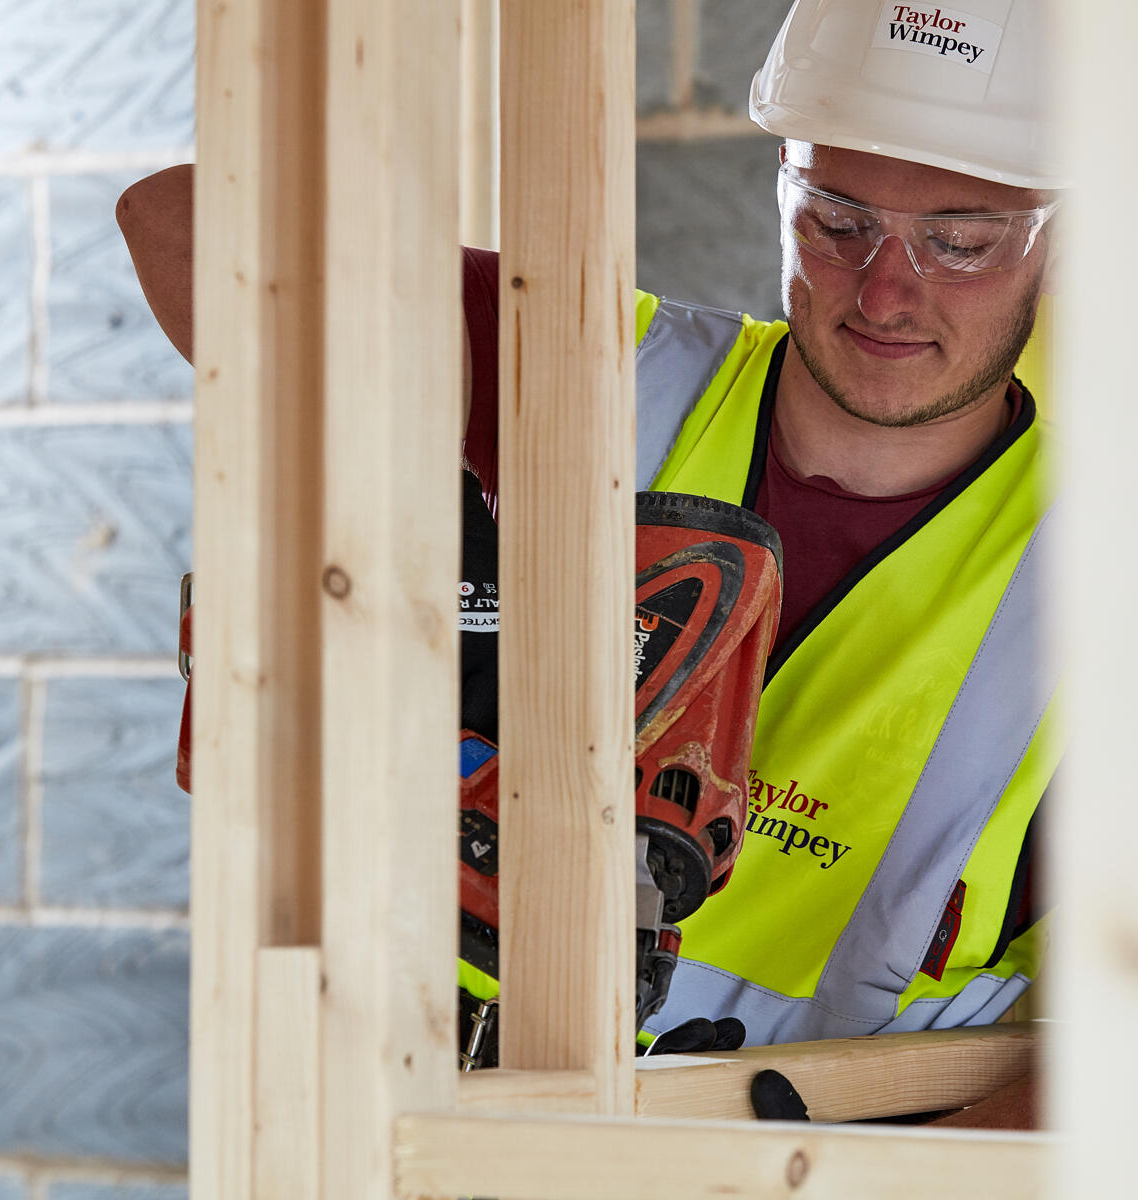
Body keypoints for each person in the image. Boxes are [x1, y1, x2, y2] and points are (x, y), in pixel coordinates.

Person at [119, 0, 1060, 1127]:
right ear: (784, 189)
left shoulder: (1121, 584)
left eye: (961, 243)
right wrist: (431, 548)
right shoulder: (596, 372)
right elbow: (181, 222)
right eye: (837, 220)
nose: (887, 290)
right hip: (453, 1135)